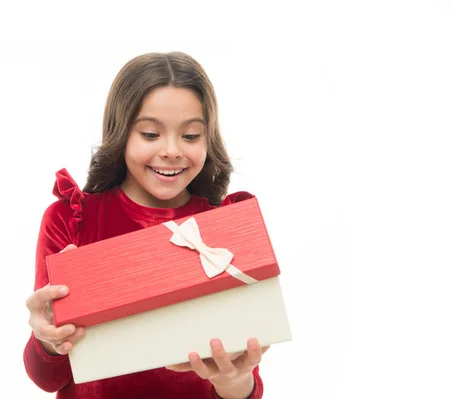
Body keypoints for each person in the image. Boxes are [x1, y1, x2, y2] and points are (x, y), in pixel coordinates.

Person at [23, 51, 269, 399]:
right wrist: (46, 340)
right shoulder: (69, 220)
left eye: (191, 135)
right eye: (151, 134)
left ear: (209, 139)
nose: (171, 150)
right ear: (121, 133)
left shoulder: (223, 228)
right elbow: (47, 379)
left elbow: (246, 379)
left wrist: (232, 382)